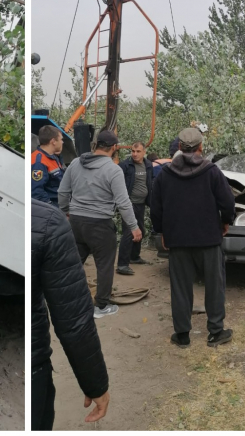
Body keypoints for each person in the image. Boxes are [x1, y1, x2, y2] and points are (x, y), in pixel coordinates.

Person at [151, 127, 235, 349]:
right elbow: (227, 202)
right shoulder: (212, 172)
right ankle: (216, 332)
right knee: (214, 286)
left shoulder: (165, 175)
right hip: (209, 239)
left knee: (180, 287)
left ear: (179, 147)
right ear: (200, 147)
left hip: (178, 241)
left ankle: (182, 335)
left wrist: (162, 233)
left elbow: (156, 209)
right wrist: (225, 222)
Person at [32, 199, 110, 429]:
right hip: (32, 366)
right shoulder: (48, 222)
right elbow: (74, 321)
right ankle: (104, 301)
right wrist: (96, 385)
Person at [58, 130, 141, 318]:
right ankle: (101, 306)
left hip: (76, 223)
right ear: (113, 148)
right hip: (100, 225)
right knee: (104, 265)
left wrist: (65, 212)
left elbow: (63, 192)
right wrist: (134, 227)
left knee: (73, 264)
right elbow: (123, 202)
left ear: (95, 145)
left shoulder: (76, 163)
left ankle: (67, 301)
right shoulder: (113, 169)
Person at [116, 141, 152, 275]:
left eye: (138, 151)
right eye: (133, 151)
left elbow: (150, 183)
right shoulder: (125, 165)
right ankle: (122, 265)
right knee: (129, 232)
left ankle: (134, 257)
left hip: (141, 203)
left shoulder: (148, 165)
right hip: (128, 204)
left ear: (144, 152)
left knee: (140, 229)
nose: (135, 154)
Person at [31, 125, 65, 205]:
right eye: (61, 139)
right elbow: (36, 192)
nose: (62, 142)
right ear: (53, 141)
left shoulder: (53, 157)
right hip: (51, 209)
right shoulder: (38, 162)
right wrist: (52, 209)